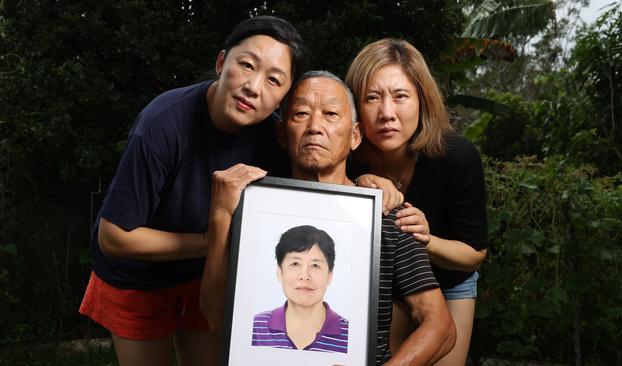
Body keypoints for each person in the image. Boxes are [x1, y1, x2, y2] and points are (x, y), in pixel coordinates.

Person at [78, 16, 308, 366]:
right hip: (136, 276)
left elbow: (325, 180)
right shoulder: (163, 123)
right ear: (221, 63)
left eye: (273, 80)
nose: (254, 86)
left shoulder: (274, 139)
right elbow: (113, 237)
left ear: (284, 96)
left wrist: (373, 181)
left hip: (205, 276)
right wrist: (214, 239)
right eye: (246, 65)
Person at [203, 71, 456, 365]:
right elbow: (215, 318)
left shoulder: (387, 216)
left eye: (331, 114)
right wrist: (221, 214)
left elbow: (440, 326)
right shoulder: (255, 209)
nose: (315, 127)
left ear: (355, 136)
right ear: (282, 134)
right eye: (300, 114)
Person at [345, 38, 488, 365]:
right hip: (385, 283)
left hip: (449, 279)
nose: (386, 113)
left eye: (400, 96)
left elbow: (473, 255)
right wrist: (359, 182)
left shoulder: (457, 156)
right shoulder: (349, 158)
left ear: (422, 100)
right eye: (371, 97)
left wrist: (425, 240)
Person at [251, 225, 348, 354]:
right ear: (280, 272)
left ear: (329, 275)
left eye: (315, 265)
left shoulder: (351, 336)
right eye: (295, 264)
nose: (304, 276)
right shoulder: (255, 328)